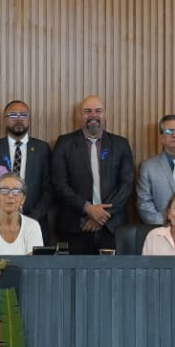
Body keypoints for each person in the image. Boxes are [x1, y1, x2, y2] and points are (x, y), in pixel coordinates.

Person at [51, 95, 134, 254]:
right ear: (79, 115)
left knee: (111, 277)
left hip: (112, 227)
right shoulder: (64, 143)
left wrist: (102, 215)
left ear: (105, 115)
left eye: (98, 111)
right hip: (76, 226)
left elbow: (126, 184)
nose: (93, 115)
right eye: (87, 111)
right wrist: (88, 208)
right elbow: (59, 183)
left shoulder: (120, 144)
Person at [0, 100, 54, 236]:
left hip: (36, 222)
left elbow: (49, 188)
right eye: (12, 115)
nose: (18, 119)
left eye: (23, 115)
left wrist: (31, 218)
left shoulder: (42, 148)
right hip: (0, 223)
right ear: (4, 120)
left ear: (29, 119)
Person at [0, 172, 44, 256]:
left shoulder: (32, 226)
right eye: (4, 190)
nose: (10, 195)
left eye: (16, 191)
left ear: (23, 199)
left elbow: (34, 263)